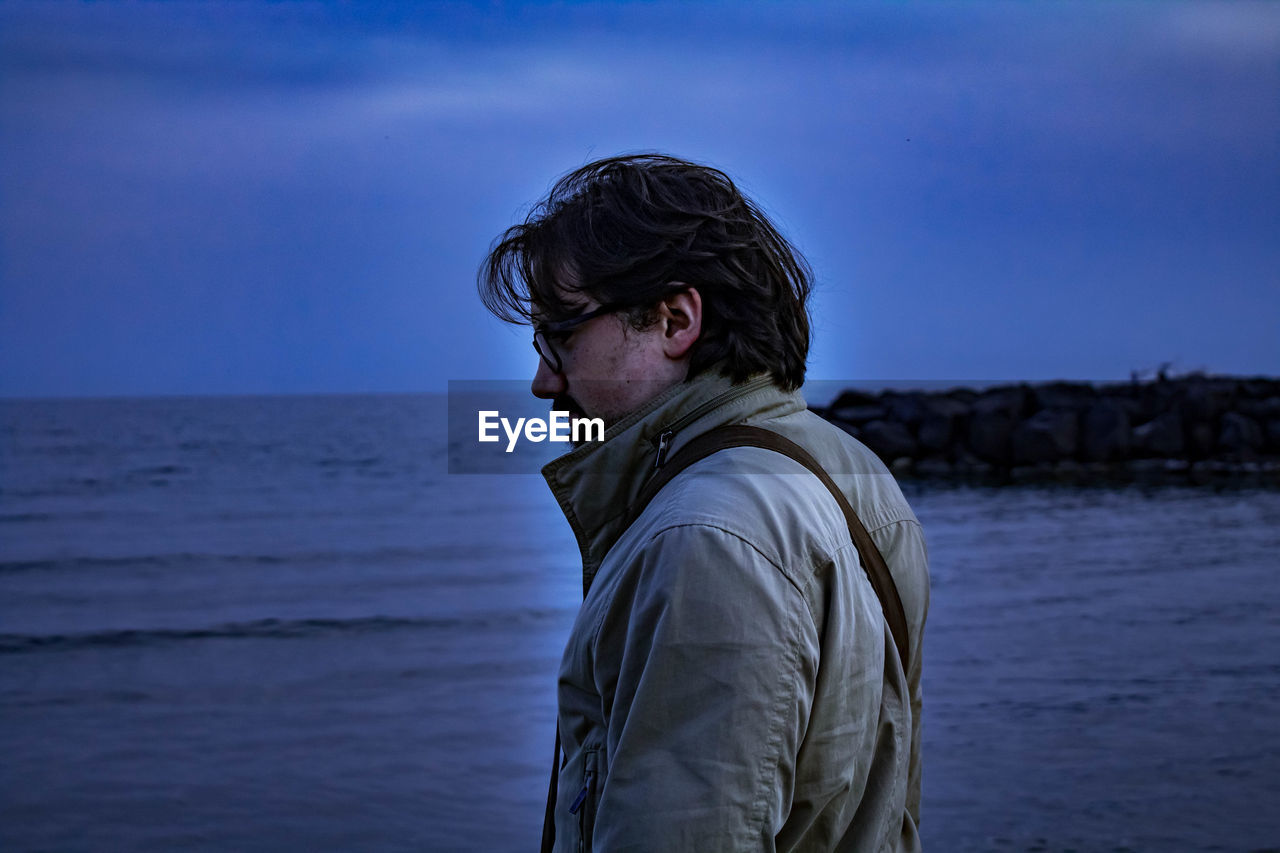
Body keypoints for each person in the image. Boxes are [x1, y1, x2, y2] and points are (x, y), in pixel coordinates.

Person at [478, 153, 930, 852]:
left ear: (673, 319)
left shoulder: (705, 537)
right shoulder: (858, 475)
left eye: (561, 334)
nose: (542, 380)